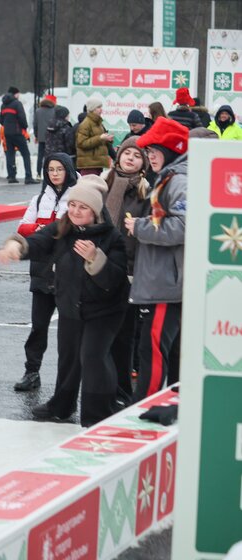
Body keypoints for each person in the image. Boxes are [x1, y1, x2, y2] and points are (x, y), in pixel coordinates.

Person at [0, 176, 129, 427]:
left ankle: (99, 412)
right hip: (70, 304)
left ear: (95, 210)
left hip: (105, 310)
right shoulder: (62, 228)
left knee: (93, 357)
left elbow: (115, 279)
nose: (76, 211)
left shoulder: (112, 237)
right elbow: (38, 241)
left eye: (83, 207)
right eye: (73, 205)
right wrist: (17, 246)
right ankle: (61, 405)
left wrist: (95, 258)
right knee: (68, 357)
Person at [125, 117, 189, 401]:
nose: (149, 156)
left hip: (166, 283)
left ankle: (142, 409)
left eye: (154, 150)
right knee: (158, 349)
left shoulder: (179, 181)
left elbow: (185, 226)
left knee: (153, 349)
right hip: (161, 281)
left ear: (172, 150)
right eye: (147, 151)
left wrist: (139, 227)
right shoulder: (169, 178)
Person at [12, 153, 77, 392]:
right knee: (38, 327)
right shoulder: (39, 198)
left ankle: (68, 380)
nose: (55, 173)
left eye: (59, 169)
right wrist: (43, 227)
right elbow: (22, 227)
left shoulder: (77, 197)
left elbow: (72, 228)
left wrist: (42, 228)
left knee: (70, 333)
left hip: (67, 272)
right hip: (41, 270)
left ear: (68, 170)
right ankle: (32, 372)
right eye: (50, 169)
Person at [102, 137, 150, 407]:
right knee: (100, 335)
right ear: (118, 156)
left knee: (125, 335)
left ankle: (122, 391)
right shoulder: (104, 184)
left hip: (130, 271)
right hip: (100, 268)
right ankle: (102, 388)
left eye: (137, 155)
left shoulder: (145, 191)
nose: (130, 158)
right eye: (126, 153)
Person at [0, 86, 37, 184]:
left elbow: (1, 120)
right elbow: (22, 118)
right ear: (15, 94)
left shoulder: (3, 105)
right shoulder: (17, 103)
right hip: (17, 133)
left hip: (7, 134)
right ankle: (28, 177)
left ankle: (11, 176)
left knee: (10, 154)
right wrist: (24, 127)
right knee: (26, 154)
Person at [76, 97, 114, 175]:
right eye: (98, 107)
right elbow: (82, 143)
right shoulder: (85, 124)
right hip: (89, 165)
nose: (101, 110)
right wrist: (100, 138)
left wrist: (107, 139)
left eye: (101, 107)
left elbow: (99, 141)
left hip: (96, 164)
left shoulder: (98, 123)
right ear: (92, 109)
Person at [33, 94, 57, 178]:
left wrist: (36, 135)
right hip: (51, 137)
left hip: (41, 137)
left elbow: (35, 124)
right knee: (50, 156)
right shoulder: (54, 110)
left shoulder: (38, 111)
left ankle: (38, 174)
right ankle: (49, 173)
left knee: (40, 156)